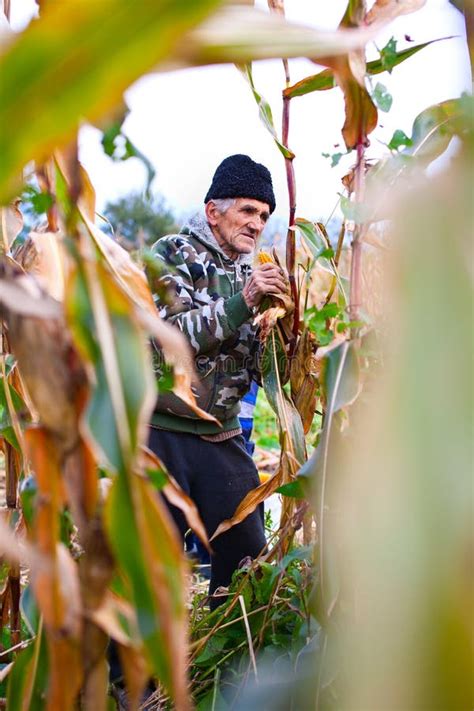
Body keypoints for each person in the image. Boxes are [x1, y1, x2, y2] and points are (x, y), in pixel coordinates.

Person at [149, 154, 287, 607]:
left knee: (246, 558)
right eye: (248, 210)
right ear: (214, 211)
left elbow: (255, 367)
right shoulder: (171, 254)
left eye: (264, 215)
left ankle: (227, 653)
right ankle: (129, 677)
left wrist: (280, 332)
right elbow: (173, 338)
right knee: (148, 569)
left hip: (223, 435)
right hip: (165, 434)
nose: (256, 223)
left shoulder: (250, 269)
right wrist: (245, 302)